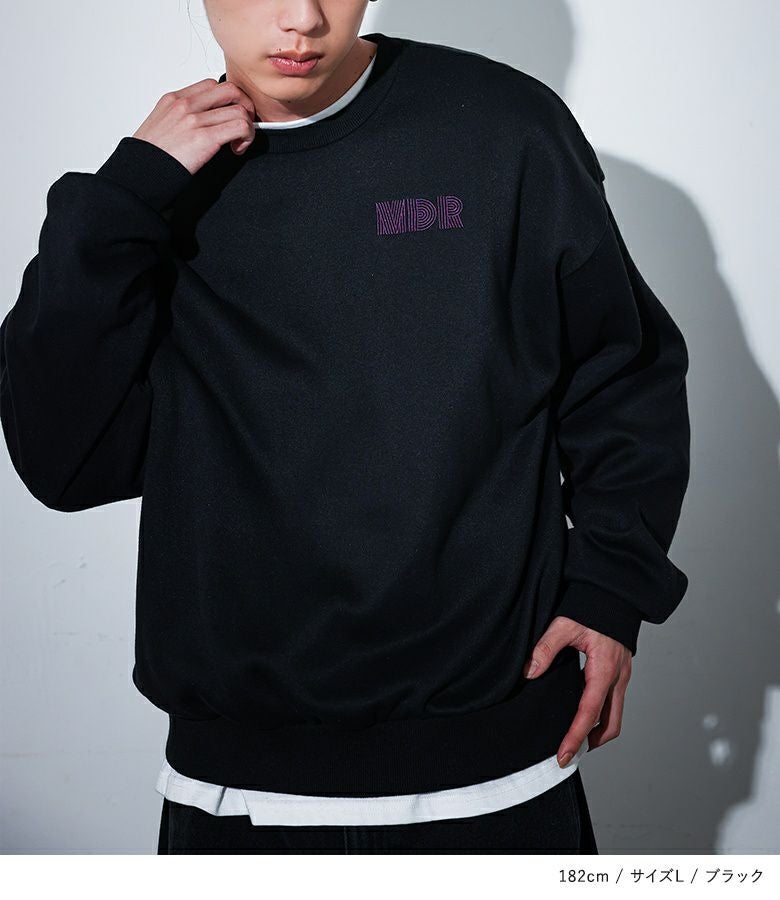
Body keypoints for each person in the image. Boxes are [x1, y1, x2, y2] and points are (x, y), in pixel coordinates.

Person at [0, 0, 691, 854]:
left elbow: (622, 372)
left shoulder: (503, 127)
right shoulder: (160, 187)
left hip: (498, 764)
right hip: (238, 789)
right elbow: (64, 464)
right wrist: (120, 200)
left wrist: (612, 591)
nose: (302, 18)